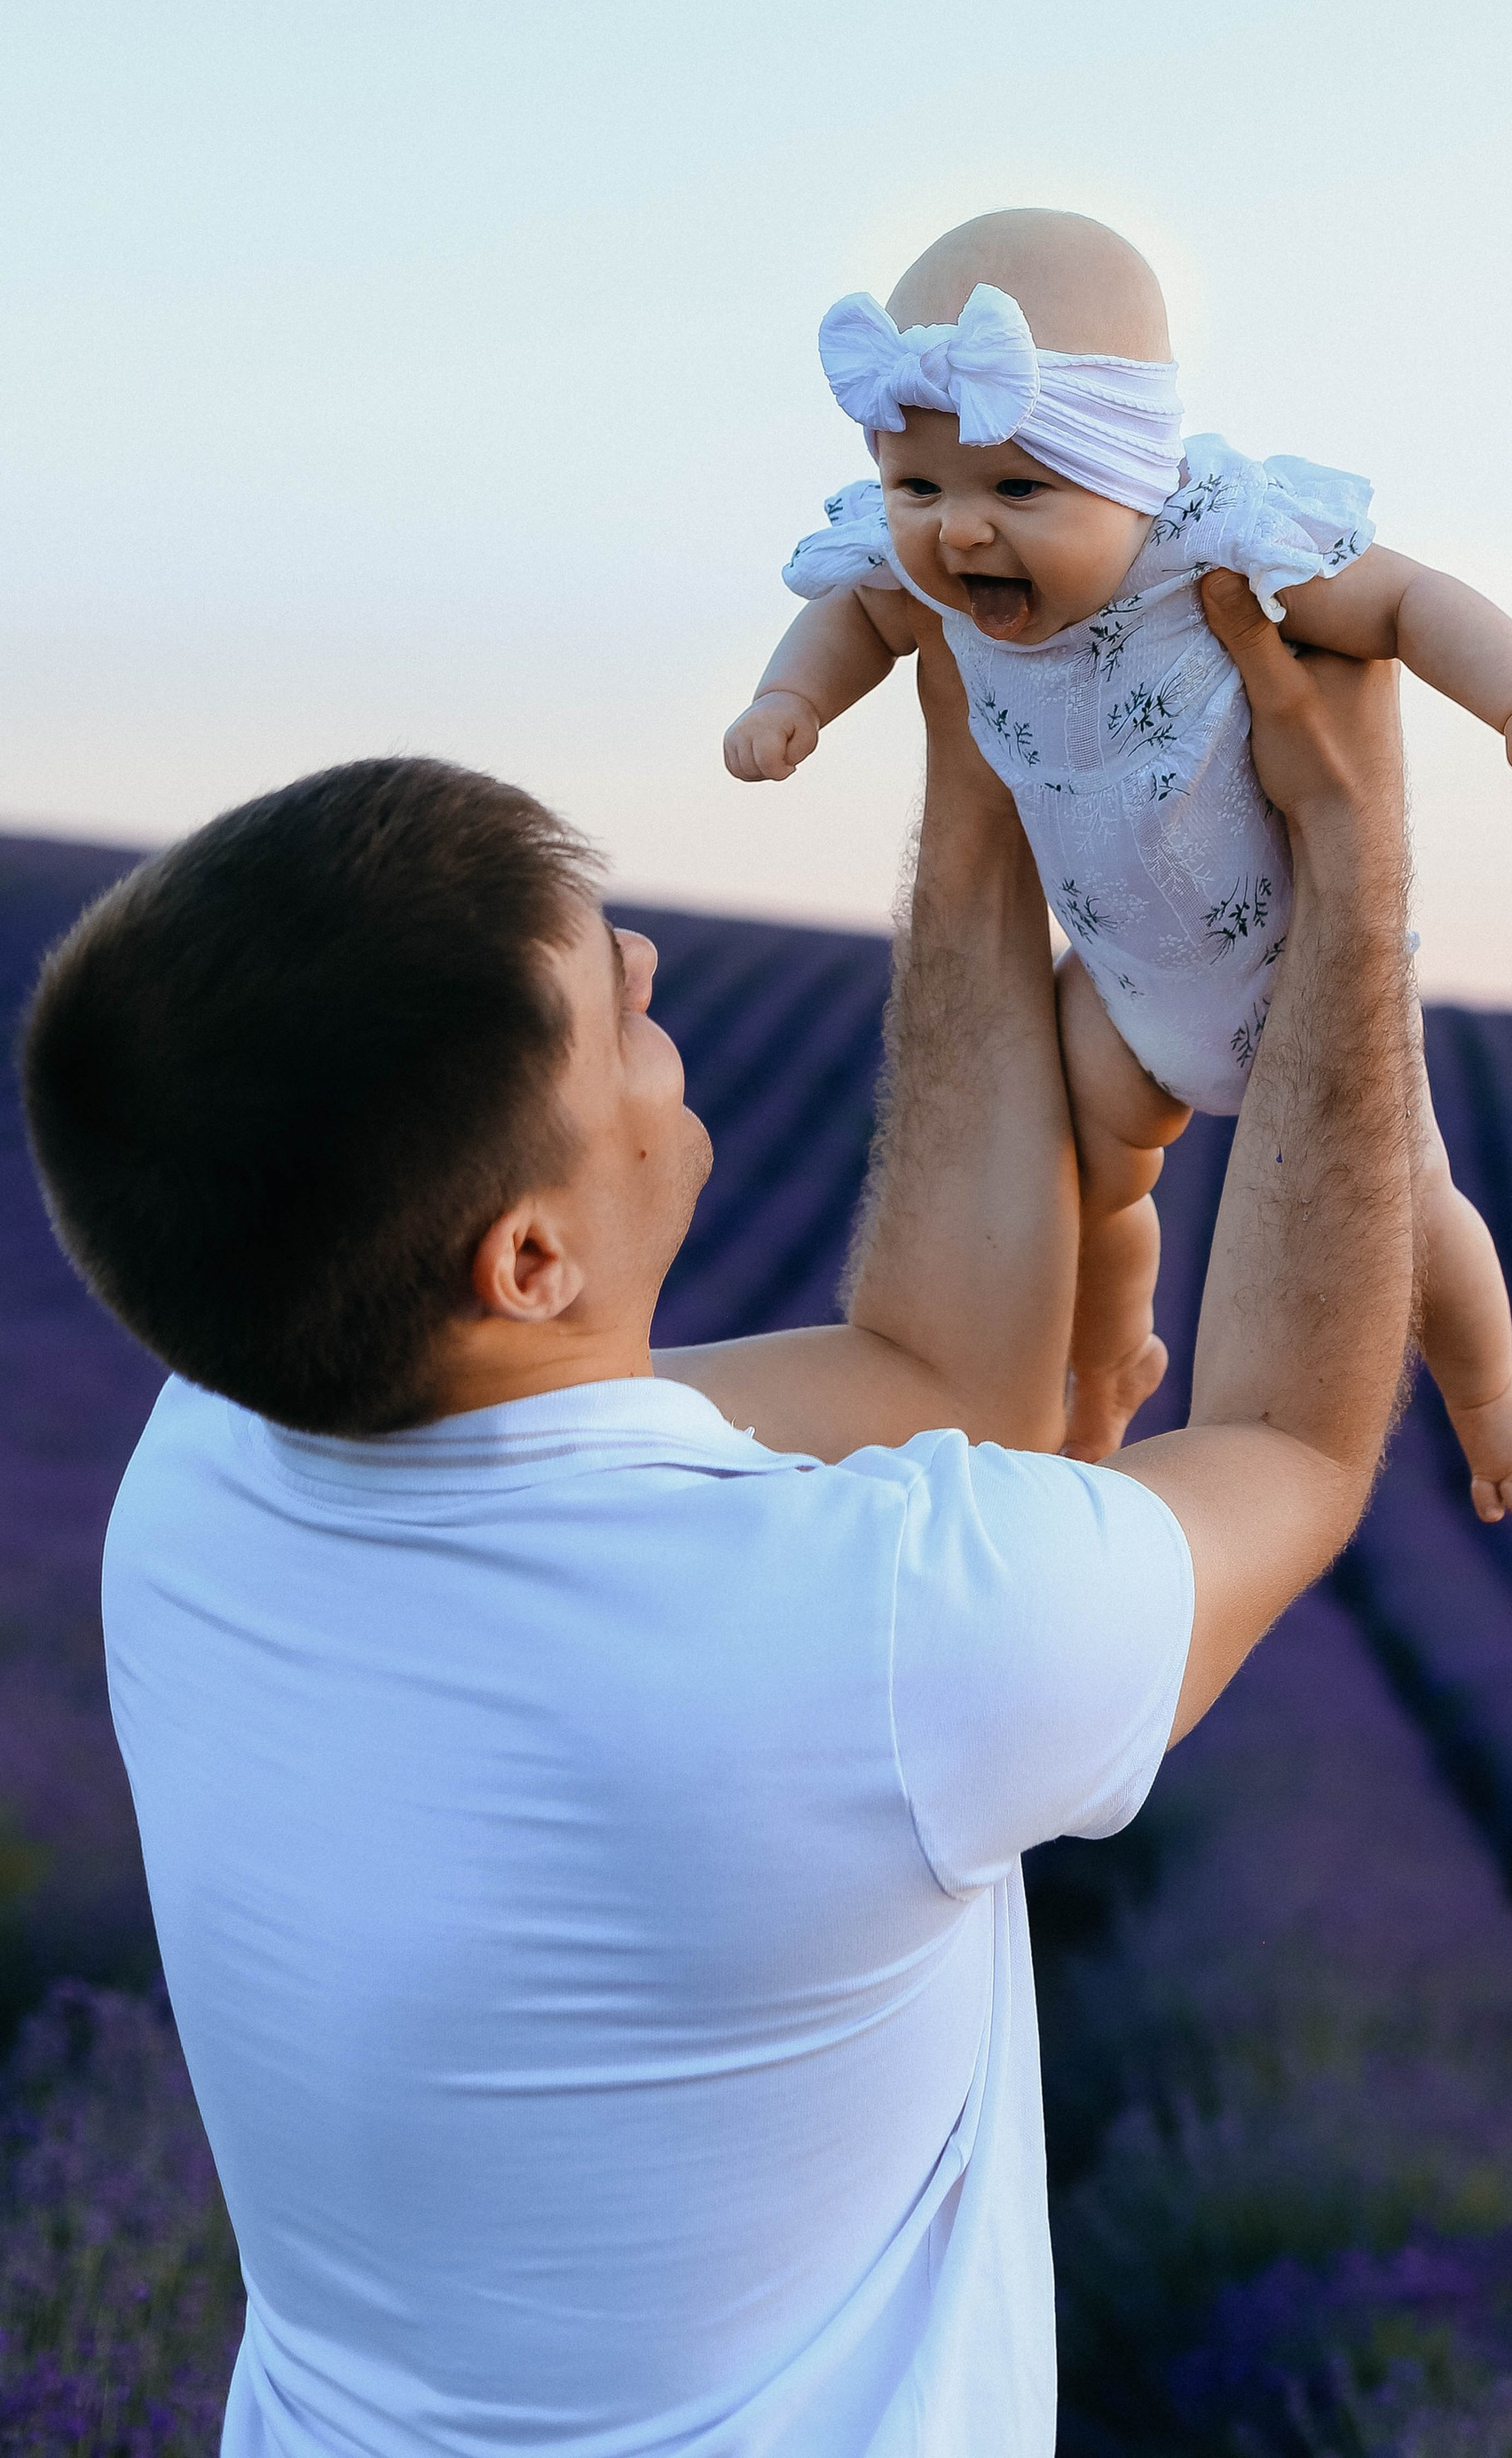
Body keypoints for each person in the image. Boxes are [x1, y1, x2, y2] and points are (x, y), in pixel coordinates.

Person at [22, 591, 1417, 2458]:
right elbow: (1293, 1448)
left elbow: (934, 1376)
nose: (655, 971)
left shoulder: (214, 1465)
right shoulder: (879, 1638)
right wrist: (1347, 872)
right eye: (612, 1016)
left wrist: (985, 723)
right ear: (527, 1257)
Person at [726, 205, 1512, 1513]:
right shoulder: (925, 581)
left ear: (1131, 472)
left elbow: (1417, 602)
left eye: (1016, 489)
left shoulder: (1218, 545)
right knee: (1090, 1183)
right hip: (1126, 975)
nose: (958, 534)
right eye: (919, 490)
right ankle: (1107, 1368)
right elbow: (853, 623)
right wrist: (790, 703)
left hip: (1292, 982)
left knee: (1408, 1215)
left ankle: (1488, 1395)